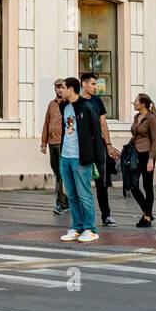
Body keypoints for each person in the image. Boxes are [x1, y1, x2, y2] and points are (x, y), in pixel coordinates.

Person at [59, 77, 102, 243]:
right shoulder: (66, 107)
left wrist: (98, 159)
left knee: (84, 194)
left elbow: (96, 133)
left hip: (81, 157)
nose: (60, 90)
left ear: (71, 88)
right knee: (71, 195)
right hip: (66, 157)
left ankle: (90, 228)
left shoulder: (86, 107)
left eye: (63, 88)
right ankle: (77, 227)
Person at [80, 72, 119, 226]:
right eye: (93, 84)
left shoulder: (98, 102)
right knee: (82, 182)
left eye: (96, 84)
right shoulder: (77, 102)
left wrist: (108, 145)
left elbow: (103, 124)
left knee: (101, 182)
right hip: (83, 147)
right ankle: (84, 217)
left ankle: (106, 215)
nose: (96, 87)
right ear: (84, 84)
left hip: (98, 147)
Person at [129, 93, 156, 228]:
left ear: (143, 104)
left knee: (147, 186)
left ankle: (147, 217)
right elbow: (135, 136)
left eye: (136, 101)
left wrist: (151, 159)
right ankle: (147, 212)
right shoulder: (136, 117)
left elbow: (155, 141)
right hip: (135, 154)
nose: (134, 103)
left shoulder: (151, 118)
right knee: (132, 185)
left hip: (147, 155)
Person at [40, 80, 69, 214]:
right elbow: (46, 123)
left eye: (62, 87)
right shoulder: (51, 104)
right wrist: (43, 143)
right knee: (57, 171)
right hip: (52, 143)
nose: (59, 90)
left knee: (62, 173)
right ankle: (67, 200)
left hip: (63, 143)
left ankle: (61, 203)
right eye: (57, 87)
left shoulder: (69, 104)